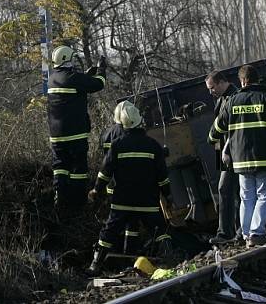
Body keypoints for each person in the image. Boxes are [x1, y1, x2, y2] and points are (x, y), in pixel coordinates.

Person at [209, 64, 266, 248]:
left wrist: (213, 140)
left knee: (247, 198)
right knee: (265, 196)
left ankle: (247, 234)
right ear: (257, 79)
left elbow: (216, 130)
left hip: (241, 162)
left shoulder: (232, 101)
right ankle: (256, 233)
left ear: (242, 81)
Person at [88, 102, 173, 272]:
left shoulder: (117, 144)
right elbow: (162, 177)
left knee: (109, 232)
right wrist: (168, 196)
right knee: (160, 230)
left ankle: (95, 265)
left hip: (122, 201)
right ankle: (170, 260)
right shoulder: (153, 145)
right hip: (148, 202)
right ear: (140, 122)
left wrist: (97, 190)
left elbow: (105, 172)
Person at [47, 45, 106, 211]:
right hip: (75, 134)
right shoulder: (73, 78)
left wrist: (85, 76)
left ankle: (60, 195)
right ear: (67, 60)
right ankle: (78, 200)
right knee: (78, 168)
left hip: (56, 135)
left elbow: (72, 89)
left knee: (60, 166)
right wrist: (102, 69)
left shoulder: (52, 78)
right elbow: (98, 84)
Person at [205, 70, 240, 245]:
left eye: (212, 87)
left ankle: (229, 233)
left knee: (229, 190)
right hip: (225, 152)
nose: (211, 91)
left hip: (234, 151)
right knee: (227, 190)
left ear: (221, 82)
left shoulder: (234, 97)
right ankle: (232, 231)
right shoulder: (221, 100)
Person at [100, 100, 138, 253]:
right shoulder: (127, 133)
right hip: (128, 184)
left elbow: (105, 161)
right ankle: (129, 252)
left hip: (112, 185)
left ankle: (111, 253)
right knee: (131, 221)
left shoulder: (106, 134)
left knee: (114, 221)